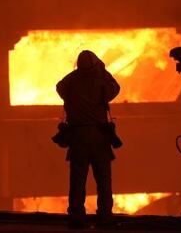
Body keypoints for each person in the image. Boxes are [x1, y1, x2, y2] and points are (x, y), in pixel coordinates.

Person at [56, 50, 121, 229]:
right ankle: (105, 217)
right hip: (99, 137)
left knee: (77, 180)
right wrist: (101, 70)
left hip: (78, 138)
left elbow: (60, 86)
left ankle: (76, 216)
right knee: (103, 180)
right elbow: (115, 88)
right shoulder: (102, 82)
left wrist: (78, 73)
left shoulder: (71, 82)